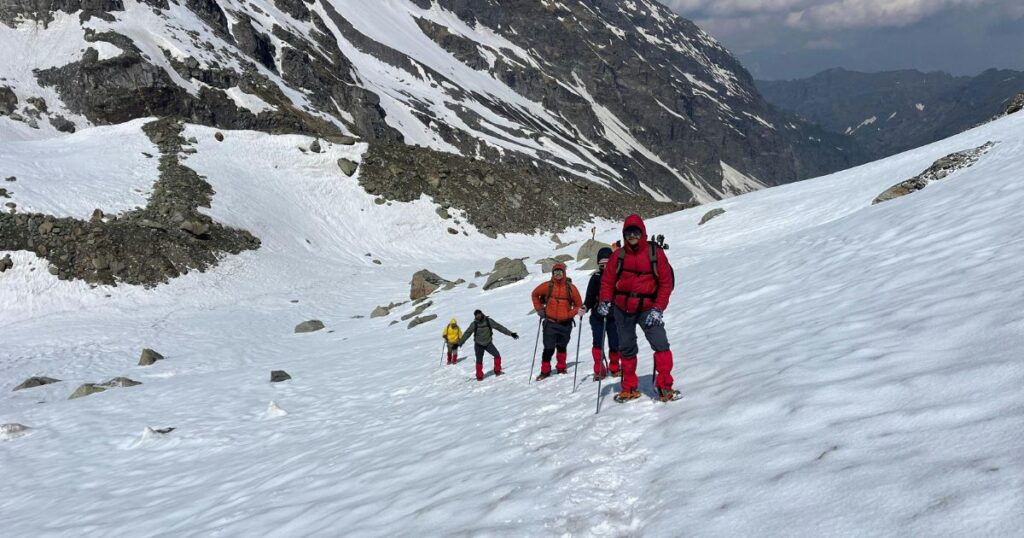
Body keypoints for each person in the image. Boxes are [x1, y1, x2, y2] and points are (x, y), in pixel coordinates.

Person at [597, 214, 677, 402]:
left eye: (636, 232)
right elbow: (607, 281)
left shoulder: (655, 253)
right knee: (626, 348)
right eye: (628, 232)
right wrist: (605, 300)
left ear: (643, 233)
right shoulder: (618, 256)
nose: (632, 236)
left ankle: (665, 386)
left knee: (661, 344)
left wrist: (658, 308)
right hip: (622, 309)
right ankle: (629, 387)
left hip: (648, 308)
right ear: (624, 234)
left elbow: (666, 283)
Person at [531, 262, 582, 381]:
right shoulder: (547, 286)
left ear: (564, 273)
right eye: (555, 272)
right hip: (550, 323)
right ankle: (545, 371)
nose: (558, 274)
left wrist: (569, 314)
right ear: (552, 273)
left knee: (562, 347)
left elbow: (579, 305)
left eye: (560, 272)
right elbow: (534, 294)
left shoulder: (571, 288)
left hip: (566, 324)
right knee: (548, 348)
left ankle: (561, 368)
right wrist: (539, 309)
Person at [581, 247, 620, 381]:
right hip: (597, 317)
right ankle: (599, 370)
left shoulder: (618, 277)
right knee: (598, 343)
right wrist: (585, 307)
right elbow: (590, 297)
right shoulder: (595, 278)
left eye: (608, 263)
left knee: (615, 343)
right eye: (602, 264)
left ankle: (615, 368)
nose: (605, 266)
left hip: (614, 317)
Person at [458, 309, 519, 381]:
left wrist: (511, 333)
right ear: (475, 316)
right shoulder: (474, 324)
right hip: (478, 345)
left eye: (479, 314)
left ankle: (497, 371)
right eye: (476, 315)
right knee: (479, 360)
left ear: (481, 313)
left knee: (497, 355)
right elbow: (467, 334)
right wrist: (459, 343)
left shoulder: (488, 321)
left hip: (488, 343)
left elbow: (499, 327)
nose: (478, 316)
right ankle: (479, 376)